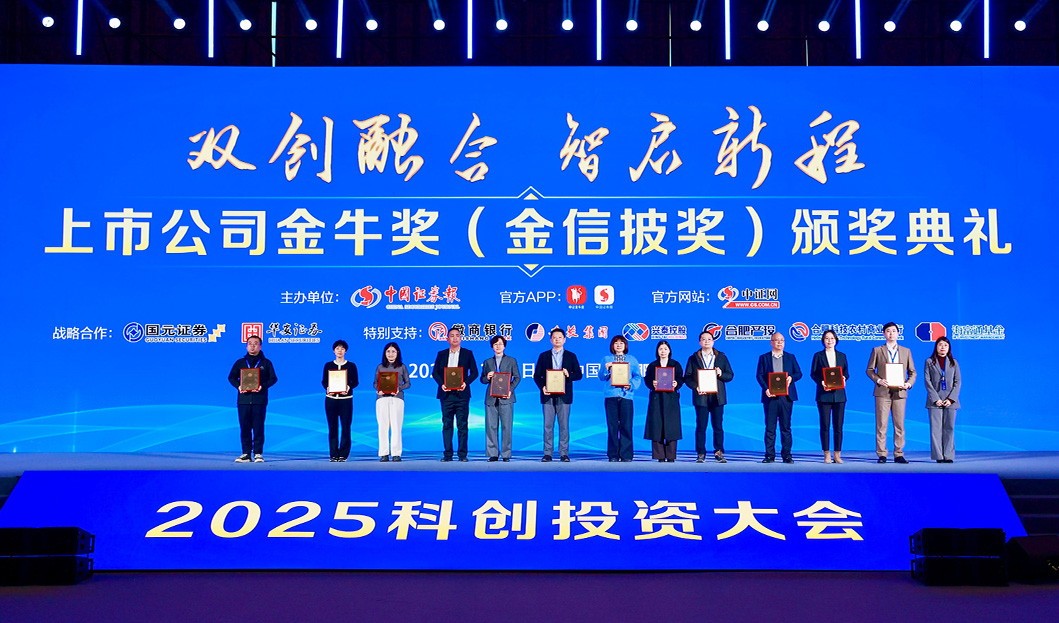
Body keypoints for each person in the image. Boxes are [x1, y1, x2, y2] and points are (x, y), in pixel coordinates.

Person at [866, 322, 917, 464]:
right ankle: (882, 454)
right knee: (881, 424)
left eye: (894, 331)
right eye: (888, 331)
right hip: (882, 392)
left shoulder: (906, 351)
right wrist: (878, 380)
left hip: (900, 391)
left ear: (898, 333)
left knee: (899, 424)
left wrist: (908, 384)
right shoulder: (877, 350)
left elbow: (913, 372)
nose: (891, 333)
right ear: (884, 334)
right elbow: (869, 370)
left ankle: (898, 454)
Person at [532, 328, 583, 462]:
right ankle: (547, 453)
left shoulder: (571, 356)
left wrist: (568, 374)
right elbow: (537, 376)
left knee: (564, 426)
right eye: (554, 337)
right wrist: (542, 387)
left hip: (564, 396)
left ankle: (564, 453)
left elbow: (579, 375)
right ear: (551, 340)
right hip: (548, 395)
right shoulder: (544, 356)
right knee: (547, 426)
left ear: (564, 339)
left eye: (560, 337)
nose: (557, 339)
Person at [684, 331, 734, 463]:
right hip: (701, 397)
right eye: (703, 339)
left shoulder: (721, 357)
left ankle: (719, 452)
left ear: (713, 341)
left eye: (709, 339)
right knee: (701, 426)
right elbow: (687, 377)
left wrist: (721, 374)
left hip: (717, 397)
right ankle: (701, 453)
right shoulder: (693, 358)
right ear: (699, 342)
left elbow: (730, 375)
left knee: (718, 426)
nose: (706, 341)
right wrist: (696, 386)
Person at [226, 335, 278, 463]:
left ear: (260, 346)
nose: (252, 346)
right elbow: (231, 377)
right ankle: (246, 454)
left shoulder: (266, 363)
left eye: (255, 343)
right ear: (246, 346)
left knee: (258, 427)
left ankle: (258, 453)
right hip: (243, 400)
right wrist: (238, 386)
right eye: (250, 343)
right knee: (245, 427)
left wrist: (262, 386)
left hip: (259, 400)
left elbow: (273, 378)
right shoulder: (240, 363)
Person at [431, 327, 478, 462]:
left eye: (457, 335)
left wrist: (465, 383)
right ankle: (448, 454)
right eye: (452, 336)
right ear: (447, 339)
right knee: (447, 425)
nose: (455, 338)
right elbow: (435, 373)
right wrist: (442, 384)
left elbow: (474, 372)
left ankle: (462, 455)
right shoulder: (441, 354)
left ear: (461, 338)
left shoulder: (467, 353)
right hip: (446, 395)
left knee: (462, 425)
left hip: (462, 395)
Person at [756, 332, 802, 464]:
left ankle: (787, 455)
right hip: (771, 396)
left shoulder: (790, 357)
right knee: (770, 428)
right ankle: (769, 456)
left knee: (785, 427)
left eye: (782, 340)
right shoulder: (764, 358)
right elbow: (759, 375)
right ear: (771, 342)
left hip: (786, 397)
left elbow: (799, 373)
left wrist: (791, 378)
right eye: (777, 340)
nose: (780, 342)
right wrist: (766, 389)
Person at [598, 335, 643, 462]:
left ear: (625, 345)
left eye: (621, 343)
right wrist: (606, 368)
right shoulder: (607, 359)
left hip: (626, 396)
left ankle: (626, 455)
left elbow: (637, 377)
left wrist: (631, 385)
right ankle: (613, 455)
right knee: (612, 426)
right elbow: (601, 377)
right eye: (616, 343)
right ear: (612, 345)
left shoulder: (632, 360)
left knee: (626, 426)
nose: (619, 345)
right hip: (611, 396)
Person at [809, 330, 849, 464]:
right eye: (827, 338)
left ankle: (837, 454)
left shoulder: (842, 356)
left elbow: (846, 373)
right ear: (823, 341)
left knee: (838, 426)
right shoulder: (818, 356)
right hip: (824, 395)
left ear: (836, 340)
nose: (829, 341)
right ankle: (826, 453)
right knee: (825, 425)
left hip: (839, 396)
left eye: (832, 338)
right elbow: (813, 373)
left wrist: (844, 378)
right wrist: (821, 382)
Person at [480, 335, 520, 462]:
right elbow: (482, 379)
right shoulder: (487, 362)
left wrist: (510, 390)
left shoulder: (511, 360)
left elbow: (517, 377)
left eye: (500, 344)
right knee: (491, 426)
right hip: (491, 398)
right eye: (495, 344)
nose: (498, 346)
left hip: (506, 398)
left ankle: (506, 454)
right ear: (492, 347)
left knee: (506, 427)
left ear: (504, 346)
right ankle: (493, 454)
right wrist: (487, 377)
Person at [644, 340, 684, 462]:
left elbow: (681, 379)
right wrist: (652, 383)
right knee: (657, 426)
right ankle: (660, 455)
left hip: (671, 398)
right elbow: (647, 380)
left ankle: (671, 456)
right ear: (657, 351)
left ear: (669, 351)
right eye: (660, 349)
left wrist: (677, 383)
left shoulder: (675, 364)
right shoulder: (652, 365)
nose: (663, 351)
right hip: (657, 398)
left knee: (672, 426)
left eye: (665, 349)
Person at [924, 336, 961, 463]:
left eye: (945, 345)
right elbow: (927, 382)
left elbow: (958, 382)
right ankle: (938, 456)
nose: (943, 347)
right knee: (936, 429)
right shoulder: (929, 362)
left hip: (951, 401)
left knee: (949, 428)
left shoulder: (953, 362)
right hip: (935, 401)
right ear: (936, 347)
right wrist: (935, 399)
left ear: (949, 348)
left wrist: (951, 399)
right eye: (940, 345)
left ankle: (949, 455)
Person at [322, 339, 359, 462]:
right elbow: (324, 381)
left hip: (346, 400)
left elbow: (355, 382)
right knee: (332, 427)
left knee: (346, 426)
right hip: (331, 400)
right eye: (337, 348)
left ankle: (343, 454)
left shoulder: (351, 366)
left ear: (345, 351)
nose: (340, 351)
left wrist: (348, 387)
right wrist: (328, 388)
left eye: (342, 348)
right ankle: (333, 454)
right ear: (334, 351)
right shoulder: (328, 365)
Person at [374, 341, 410, 462]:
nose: (390, 354)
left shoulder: (402, 367)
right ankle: (383, 453)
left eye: (393, 352)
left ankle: (396, 453)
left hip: (397, 399)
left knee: (396, 426)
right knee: (383, 427)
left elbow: (408, 383)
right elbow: (375, 383)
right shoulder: (380, 367)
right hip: (382, 399)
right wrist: (378, 389)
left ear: (397, 353)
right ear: (385, 353)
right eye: (388, 351)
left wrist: (399, 388)